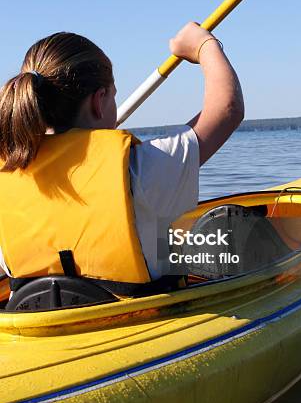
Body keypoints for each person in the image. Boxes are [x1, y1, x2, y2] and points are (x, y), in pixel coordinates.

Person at [0, 22, 244, 298]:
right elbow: (227, 110)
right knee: (172, 242)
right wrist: (203, 45)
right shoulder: (140, 167)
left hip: (37, 327)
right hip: (139, 322)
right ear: (99, 101)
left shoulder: (7, 172)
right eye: (113, 95)